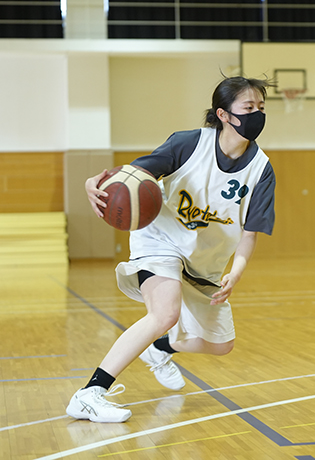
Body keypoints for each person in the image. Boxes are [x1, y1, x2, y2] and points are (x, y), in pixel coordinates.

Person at [66, 76, 276, 423]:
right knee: (165, 315)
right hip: (159, 240)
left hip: (203, 262)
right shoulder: (188, 144)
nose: (258, 115)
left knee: (222, 345)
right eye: (249, 108)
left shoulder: (261, 169)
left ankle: (160, 348)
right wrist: (94, 182)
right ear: (223, 114)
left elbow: (250, 234)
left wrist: (235, 273)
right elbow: (130, 176)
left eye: (262, 108)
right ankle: (90, 393)